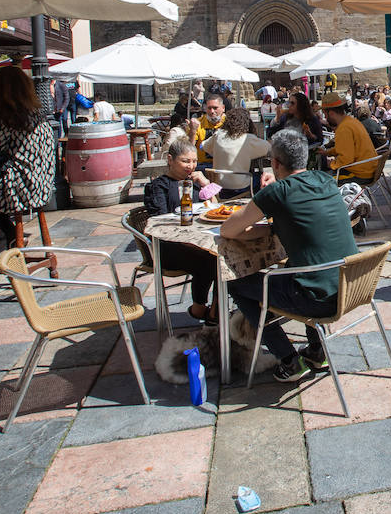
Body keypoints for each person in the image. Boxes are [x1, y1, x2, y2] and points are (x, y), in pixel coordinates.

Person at [220, 128, 358, 381]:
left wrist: (269, 194)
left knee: (236, 285)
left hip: (317, 299)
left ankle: (288, 358)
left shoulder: (277, 193)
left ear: (274, 163)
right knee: (298, 264)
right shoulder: (325, 180)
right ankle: (316, 350)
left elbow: (228, 229)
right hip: (350, 287)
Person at [143, 137, 217, 322]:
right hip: (167, 247)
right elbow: (160, 220)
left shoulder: (193, 182)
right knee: (210, 261)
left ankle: (215, 310)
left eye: (194, 161)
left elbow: (216, 209)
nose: (190, 166)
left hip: (193, 241)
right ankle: (201, 309)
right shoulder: (158, 186)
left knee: (221, 258)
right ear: (170, 159)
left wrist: (206, 185)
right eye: (185, 161)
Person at [0, 66, 56, 214]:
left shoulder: (9, 120)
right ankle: (7, 234)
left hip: (19, 191)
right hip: (42, 186)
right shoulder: (37, 117)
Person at [203, 106, 271, 198]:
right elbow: (268, 148)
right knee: (262, 176)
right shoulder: (248, 139)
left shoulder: (218, 135)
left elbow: (202, 146)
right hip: (241, 186)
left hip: (218, 186)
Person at [320, 92, 379, 185]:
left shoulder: (343, 128)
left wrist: (331, 164)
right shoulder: (351, 121)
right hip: (369, 169)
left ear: (331, 113)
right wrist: (327, 152)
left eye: (325, 115)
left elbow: (346, 159)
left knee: (321, 183)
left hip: (360, 174)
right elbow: (345, 147)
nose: (326, 118)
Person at [191, 93, 226, 165]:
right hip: (202, 165)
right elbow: (189, 149)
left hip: (224, 164)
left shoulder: (230, 123)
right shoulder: (198, 123)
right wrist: (192, 131)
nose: (212, 112)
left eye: (215, 108)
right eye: (209, 108)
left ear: (223, 108)